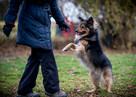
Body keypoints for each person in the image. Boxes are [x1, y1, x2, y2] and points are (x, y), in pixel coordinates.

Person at [3, 0, 70, 97]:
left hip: (43, 23)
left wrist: (61, 21)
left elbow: (53, 5)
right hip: (29, 21)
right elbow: (14, 3)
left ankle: (24, 90)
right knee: (46, 53)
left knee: (35, 57)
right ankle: (52, 89)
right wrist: (9, 22)